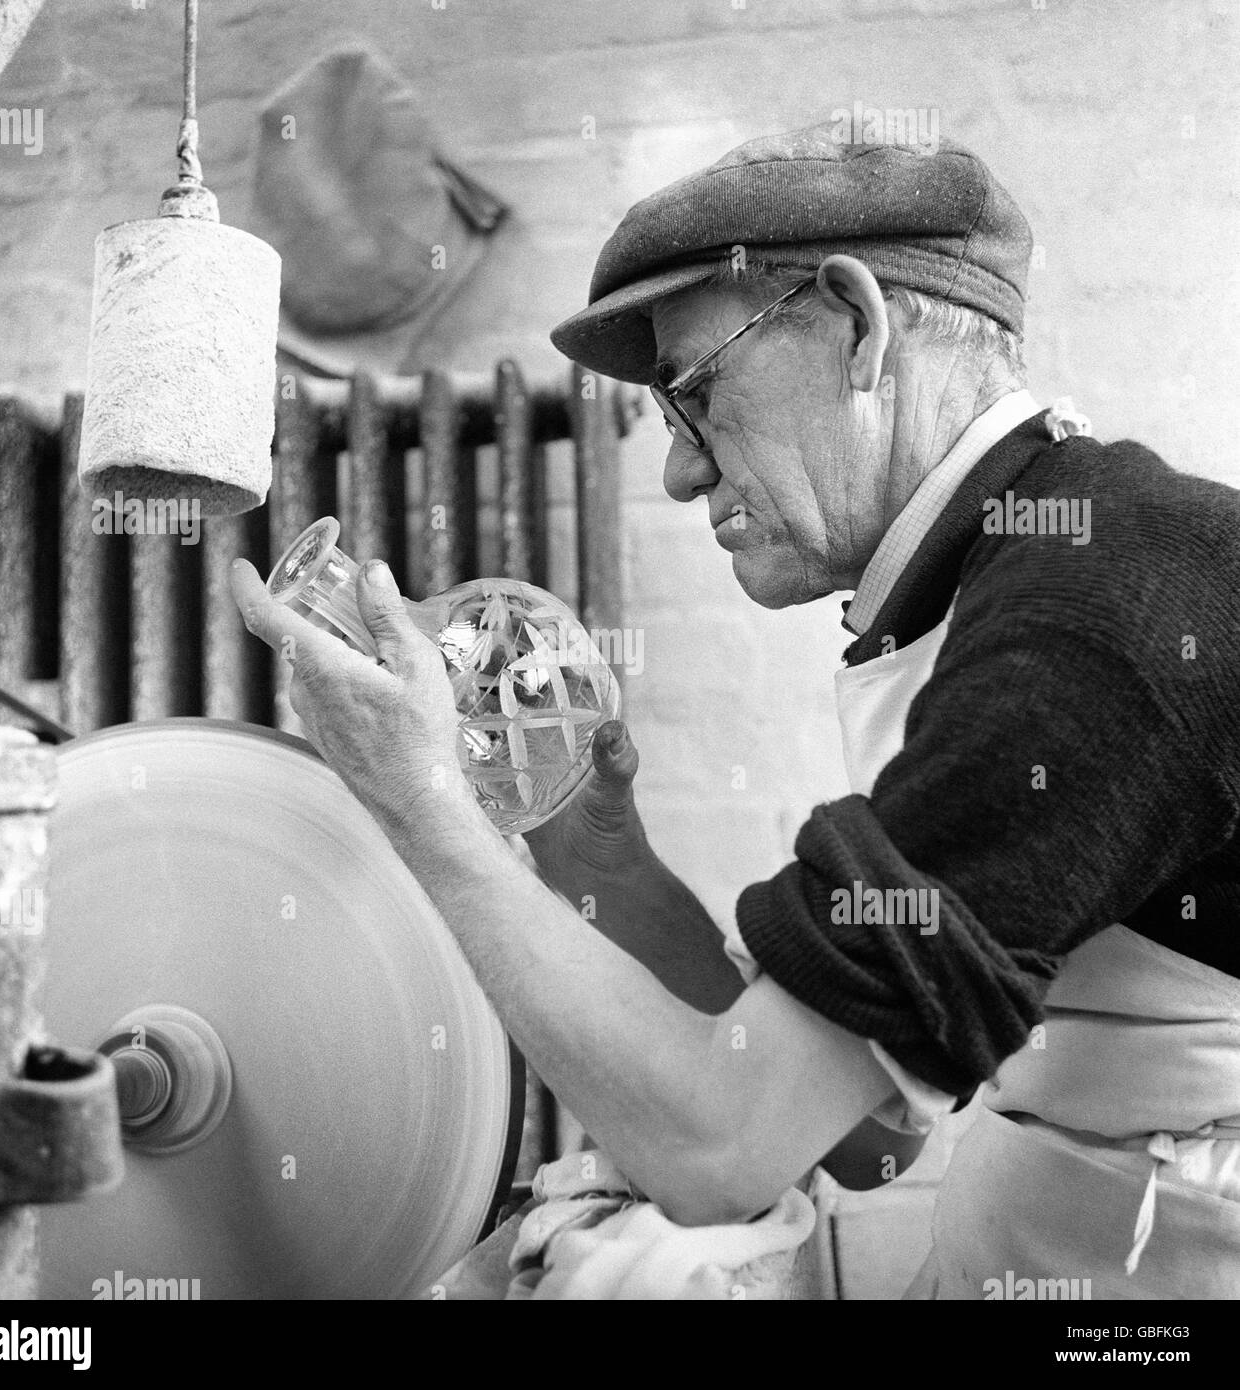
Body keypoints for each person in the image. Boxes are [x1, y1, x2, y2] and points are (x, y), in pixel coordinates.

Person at [232, 121, 1240, 1298]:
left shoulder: (1092, 616)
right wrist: (589, 858)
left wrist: (420, 801)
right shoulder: (969, 587)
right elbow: (857, 1134)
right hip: (1041, 1239)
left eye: (696, 394)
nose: (680, 472)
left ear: (857, 326)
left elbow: (721, 1145)